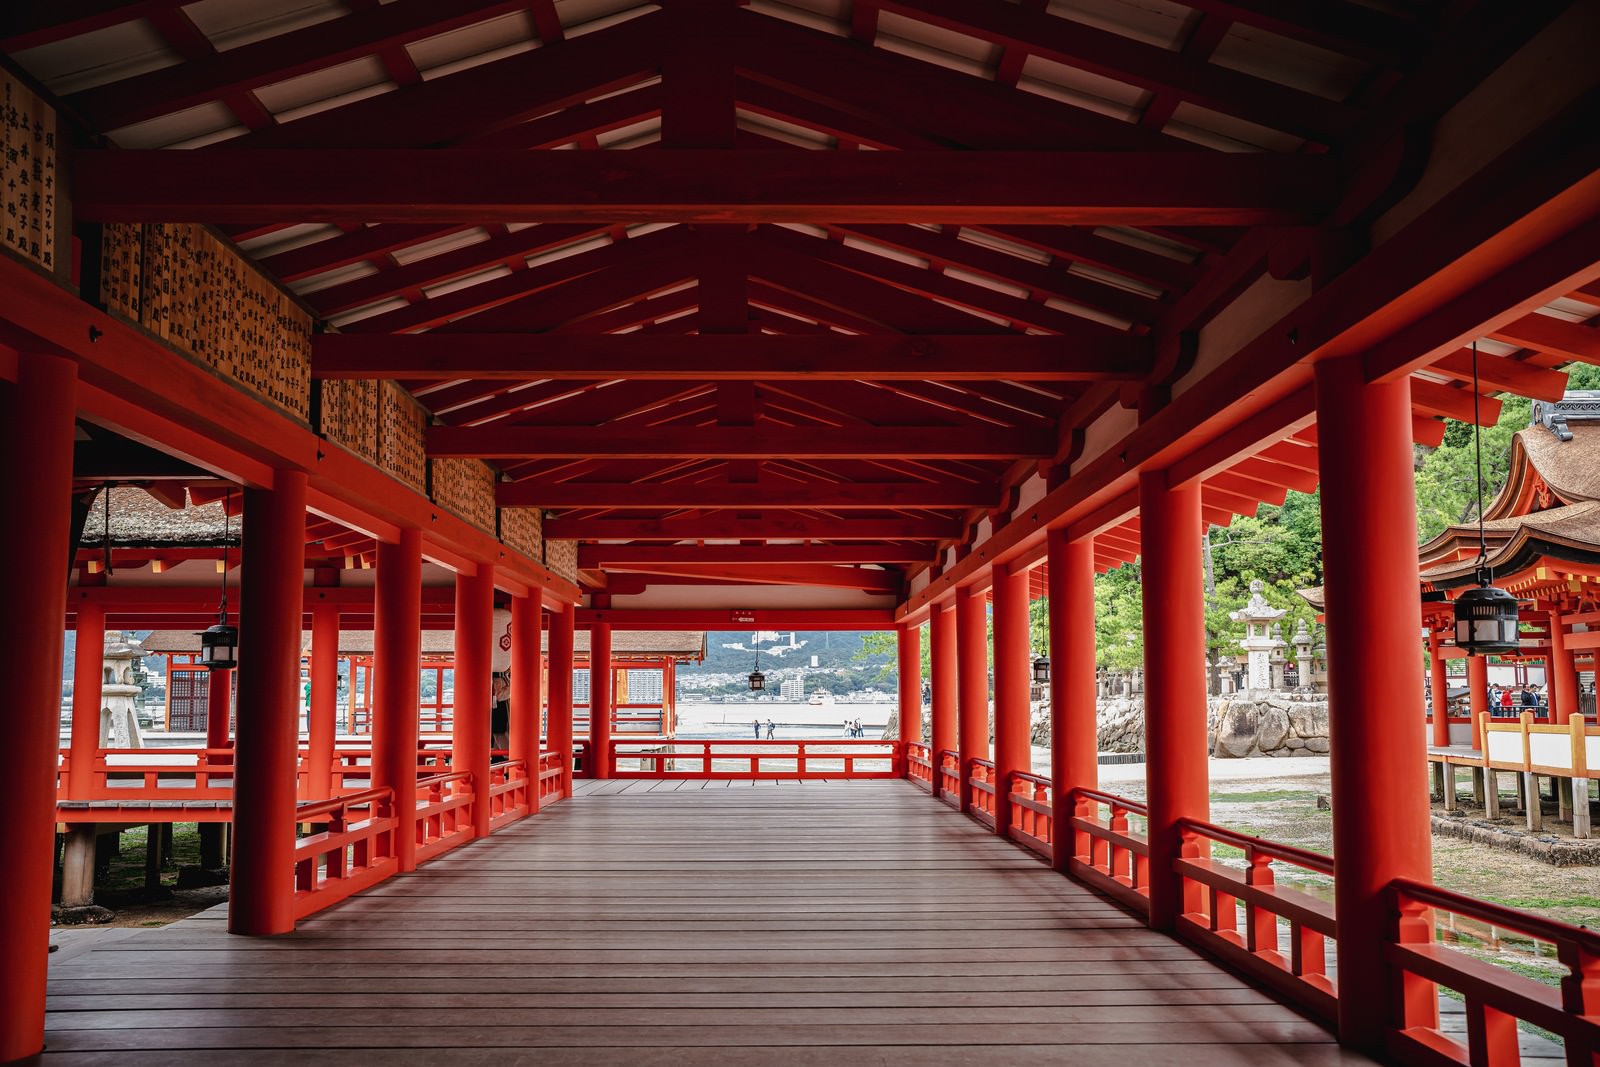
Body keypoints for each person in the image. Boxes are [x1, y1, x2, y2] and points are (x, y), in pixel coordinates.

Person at [490, 673, 510, 760]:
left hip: (502, 713)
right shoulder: (497, 679)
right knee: (501, 740)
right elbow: (498, 696)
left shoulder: (504, 677)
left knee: (499, 742)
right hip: (498, 715)